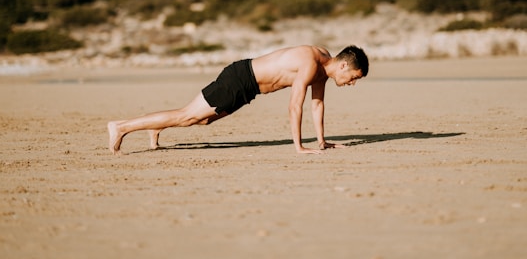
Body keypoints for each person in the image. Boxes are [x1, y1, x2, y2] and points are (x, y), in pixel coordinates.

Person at [108, 44, 369, 155]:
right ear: (344, 66)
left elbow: (317, 104)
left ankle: (156, 125)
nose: (353, 83)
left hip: (249, 88)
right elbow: (294, 106)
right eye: (354, 77)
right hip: (240, 77)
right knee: (188, 115)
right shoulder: (311, 63)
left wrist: (322, 142)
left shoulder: (323, 68)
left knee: (201, 121)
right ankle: (121, 127)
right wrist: (299, 147)